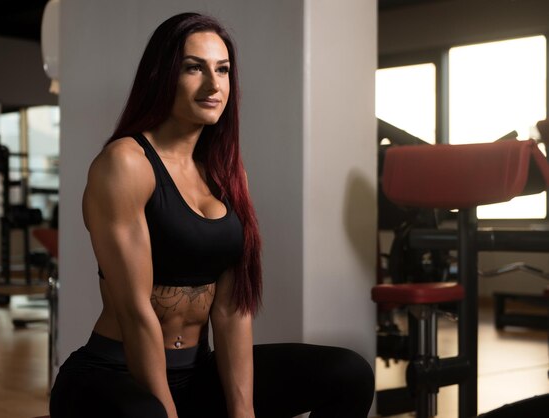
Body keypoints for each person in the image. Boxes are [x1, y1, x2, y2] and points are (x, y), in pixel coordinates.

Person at [49, 12, 374, 418]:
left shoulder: (225, 174)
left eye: (223, 70)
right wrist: (168, 411)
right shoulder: (125, 163)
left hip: (196, 372)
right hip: (114, 373)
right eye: (193, 68)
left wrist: (242, 410)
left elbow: (231, 308)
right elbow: (135, 310)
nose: (213, 85)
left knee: (348, 373)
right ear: (161, 76)